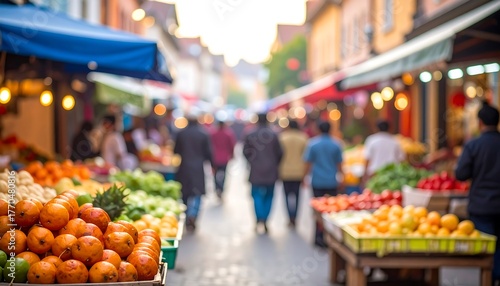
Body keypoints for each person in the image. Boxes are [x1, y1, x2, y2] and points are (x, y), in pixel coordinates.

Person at [455, 101, 500, 284]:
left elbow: (461, 174)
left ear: (480, 122)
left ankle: (488, 279)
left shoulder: (473, 145)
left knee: (484, 248)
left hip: (481, 205)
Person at [303, 121, 343, 247]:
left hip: (317, 181)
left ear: (318, 129)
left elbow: (307, 163)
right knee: (332, 210)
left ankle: (318, 237)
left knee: (318, 210)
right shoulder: (336, 144)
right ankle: (331, 237)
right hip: (331, 181)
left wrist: (304, 177)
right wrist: (343, 178)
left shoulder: (313, 144)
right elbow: (340, 165)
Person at [243, 113, 283, 233]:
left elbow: (245, 152)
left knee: (256, 195)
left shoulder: (250, 134)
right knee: (269, 195)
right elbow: (280, 153)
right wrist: (274, 163)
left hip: (256, 170)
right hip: (271, 170)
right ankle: (265, 218)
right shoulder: (274, 135)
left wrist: (252, 162)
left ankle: (259, 217)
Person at [174, 111, 214, 232]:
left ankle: (187, 215)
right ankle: (193, 215)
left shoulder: (181, 134)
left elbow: (176, 150)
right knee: (197, 193)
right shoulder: (203, 134)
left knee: (184, 194)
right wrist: (213, 166)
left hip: (184, 167)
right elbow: (209, 153)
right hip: (198, 168)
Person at [278, 120, 308, 228]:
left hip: (285, 170)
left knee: (286, 195)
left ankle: (289, 217)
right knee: (297, 195)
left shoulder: (282, 138)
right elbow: (306, 157)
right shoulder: (303, 138)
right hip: (299, 171)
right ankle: (295, 216)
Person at [210, 120, 236, 200]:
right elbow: (232, 145)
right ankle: (221, 188)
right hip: (224, 158)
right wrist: (232, 155)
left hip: (214, 158)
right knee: (223, 174)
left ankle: (217, 187)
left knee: (215, 174)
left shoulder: (213, 133)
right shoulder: (228, 133)